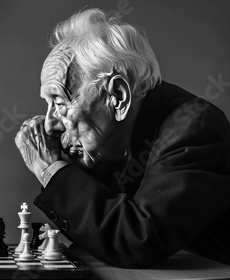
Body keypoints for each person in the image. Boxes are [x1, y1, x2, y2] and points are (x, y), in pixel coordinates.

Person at [15, 8, 230, 268]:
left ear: (117, 96)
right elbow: (95, 235)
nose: (49, 123)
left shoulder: (196, 127)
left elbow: (137, 241)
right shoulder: (109, 139)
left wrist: (49, 168)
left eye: (60, 104)